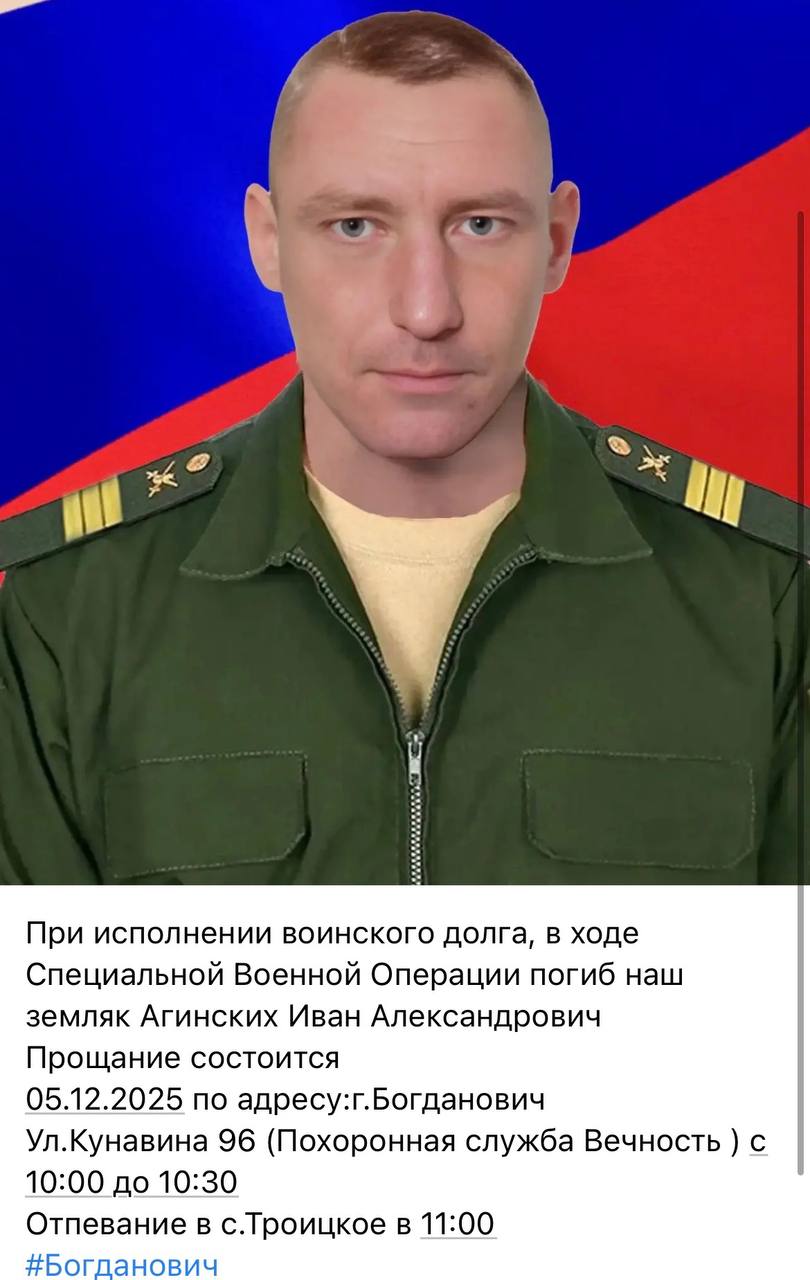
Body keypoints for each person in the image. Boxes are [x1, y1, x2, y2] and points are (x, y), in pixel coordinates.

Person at [0, 11, 806, 885]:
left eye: (481, 225)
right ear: (267, 241)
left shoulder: (764, 597)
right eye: (355, 226)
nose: (427, 310)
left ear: (557, 240)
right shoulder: (67, 611)